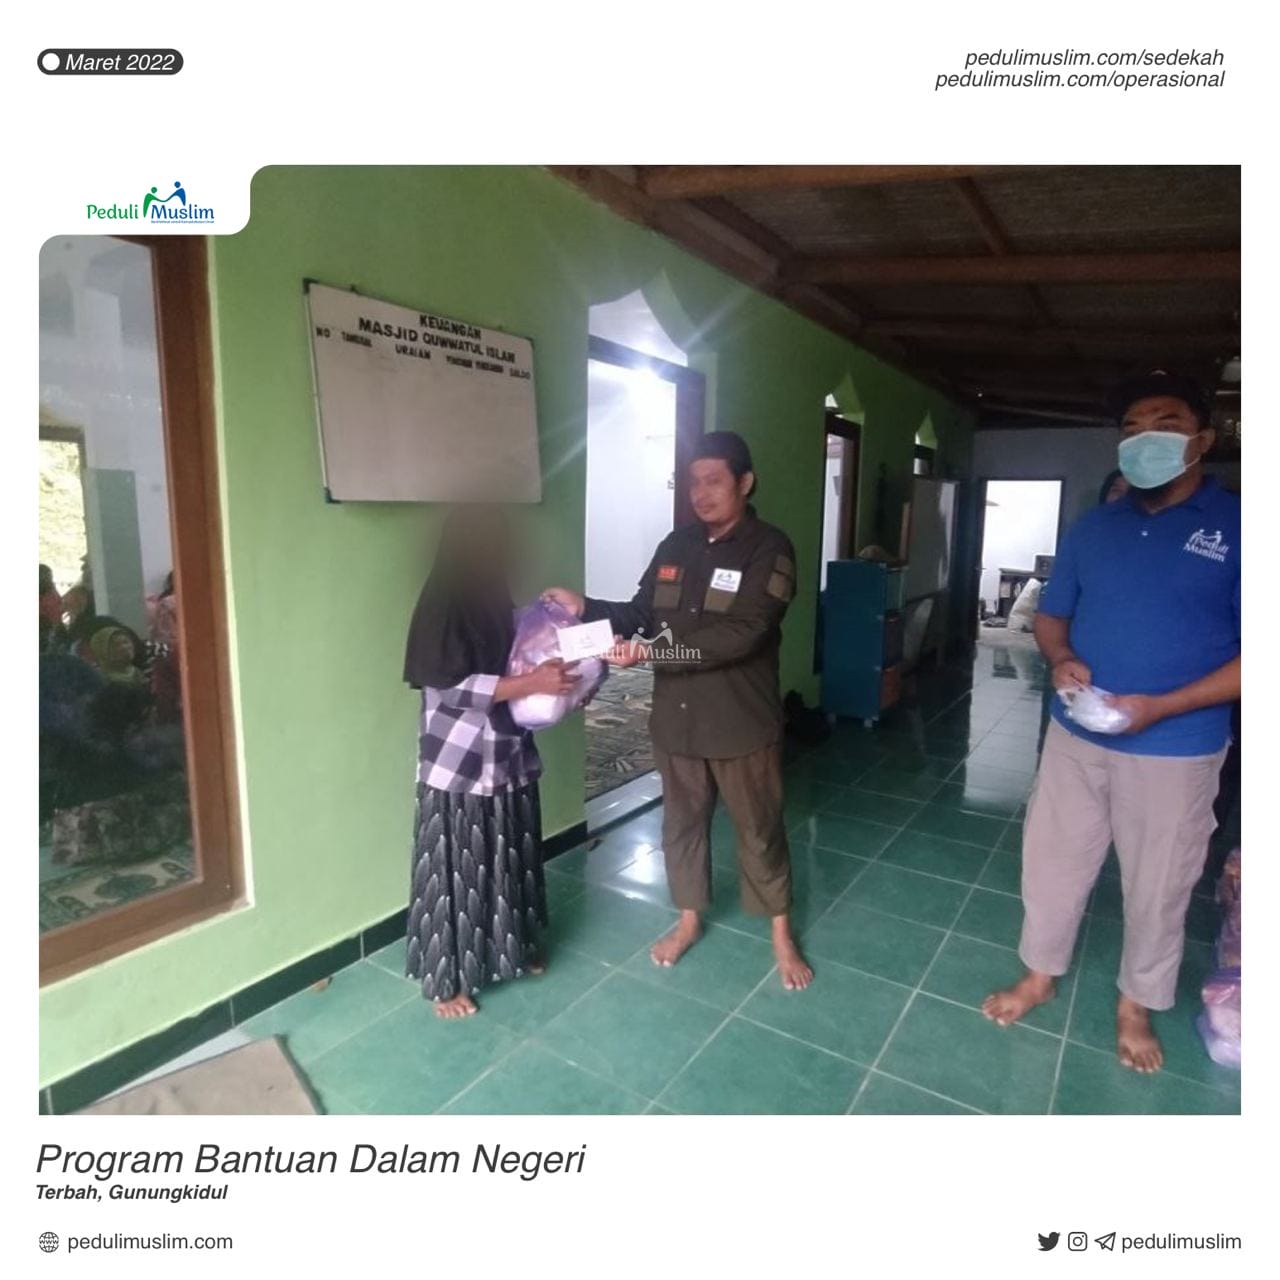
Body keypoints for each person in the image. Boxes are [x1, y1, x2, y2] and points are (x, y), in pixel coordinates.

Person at [983, 371, 1240, 1073]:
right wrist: (1062, 658)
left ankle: (1136, 1004)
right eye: (1131, 429)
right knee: (1052, 864)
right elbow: (1053, 617)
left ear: (1202, 439)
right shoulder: (1094, 528)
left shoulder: (1240, 526)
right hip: (1076, 735)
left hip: (1177, 749)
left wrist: (1161, 707)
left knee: (1159, 884)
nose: (1145, 439)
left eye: (1165, 424)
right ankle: (1040, 974)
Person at [545, 430, 813, 990]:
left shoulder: (770, 547)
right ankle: (689, 919)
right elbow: (641, 612)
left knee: (759, 829)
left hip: (740, 721)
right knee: (682, 826)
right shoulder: (676, 545)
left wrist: (653, 653)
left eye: (714, 481)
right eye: (694, 482)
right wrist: (585, 605)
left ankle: (781, 933)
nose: (701, 493)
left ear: (745, 483)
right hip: (677, 719)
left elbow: (746, 631)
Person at [402, 507, 579, 1019]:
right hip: (459, 765)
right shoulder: (442, 606)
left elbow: (519, 655)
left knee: (510, 857)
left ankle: (511, 950)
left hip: (507, 754)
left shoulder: (496, 600)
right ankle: (444, 980)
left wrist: (560, 660)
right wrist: (533, 683)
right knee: (455, 872)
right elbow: (449, 686)